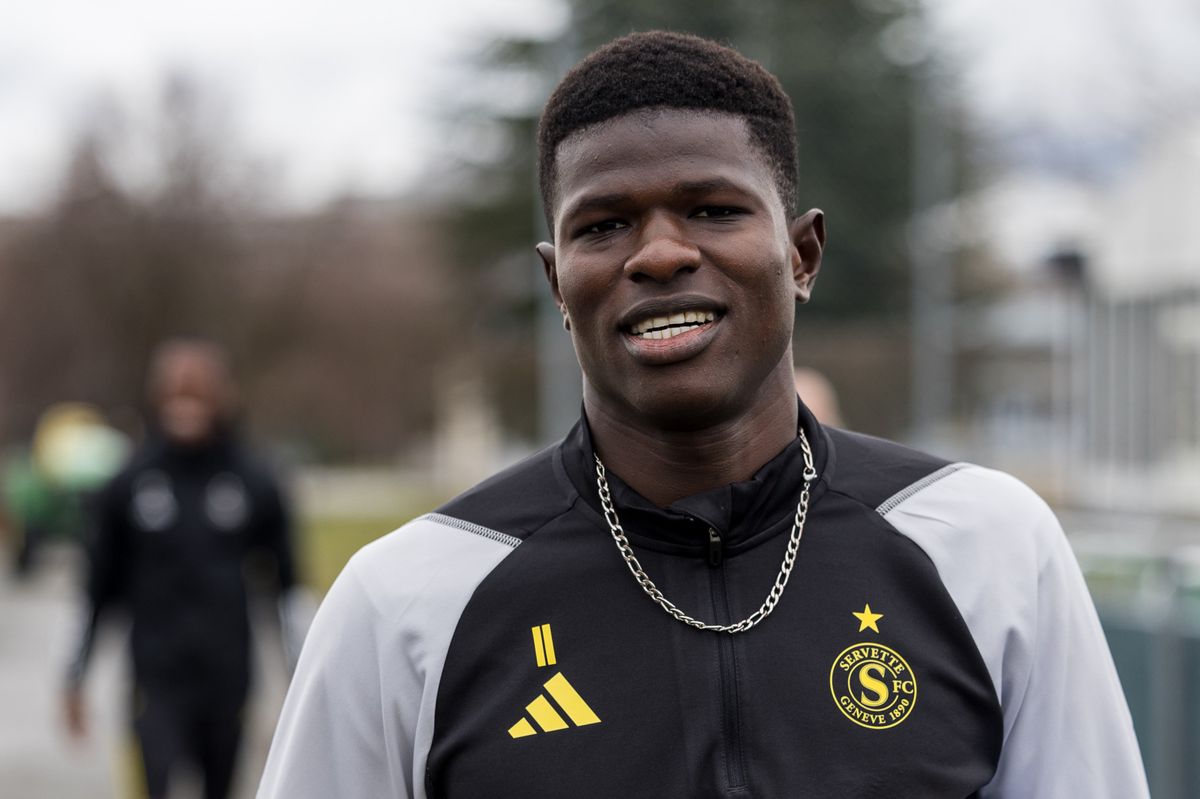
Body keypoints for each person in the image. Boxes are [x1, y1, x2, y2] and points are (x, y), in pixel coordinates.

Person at [258, 31, 1148, 798]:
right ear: (556, 284)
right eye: (603, 225)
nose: (660, 253)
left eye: (712, 209)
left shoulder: (990, 547)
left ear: (801, 254)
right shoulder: (406, 601)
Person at [65, 339, 303, 799]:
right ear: (158, 399)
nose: (185, 409)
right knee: (159, 782)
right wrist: (75, 675)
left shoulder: (253, 479)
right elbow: (96, 589)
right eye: (176, 397)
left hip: (228, 673)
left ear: (220, 401)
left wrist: (300, 673)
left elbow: (287, 586)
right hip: (156, 675)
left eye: (196, 398)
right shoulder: (130, 479)